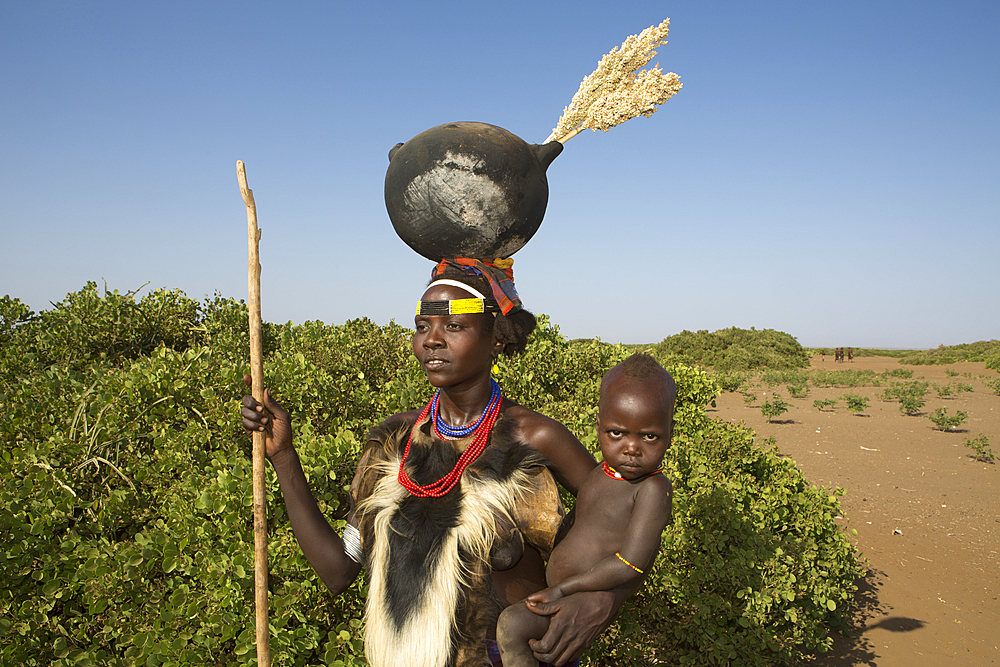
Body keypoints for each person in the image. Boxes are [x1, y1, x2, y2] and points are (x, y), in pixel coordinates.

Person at [241, 259, 622, 667]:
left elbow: (624, 521)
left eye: (453, 326)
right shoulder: (394, 442)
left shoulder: (535, 437)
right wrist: (283, 456)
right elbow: (337, 572)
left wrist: (604, 602)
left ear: (496, 337)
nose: (432, 340)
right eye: (423, 327)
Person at [495, 354, 675, 667]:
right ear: (599, 426)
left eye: (649, 436)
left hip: (574, 599)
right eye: (617, 433)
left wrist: (565, 589)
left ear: (670, 432)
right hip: (559, 592)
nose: (632, 448)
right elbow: (575, 525)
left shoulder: (652, 490)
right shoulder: (600, 474)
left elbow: (630, 565)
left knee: (514, 626)